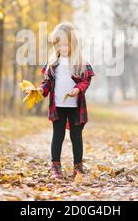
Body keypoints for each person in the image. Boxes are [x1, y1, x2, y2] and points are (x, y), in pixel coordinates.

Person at [26, 22, 95, 181]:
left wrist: (78, 89)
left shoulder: (79, 63)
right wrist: (40, 90)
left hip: (75, 106)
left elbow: (86, 80)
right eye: (59, 45)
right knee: (58, 135)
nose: (62, 48)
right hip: (58, 105)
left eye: (66, 44)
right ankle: (56, 166)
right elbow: (47, 82)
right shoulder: (53, 63)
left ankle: (78, 167)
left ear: (73, 43)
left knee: (76, 136)